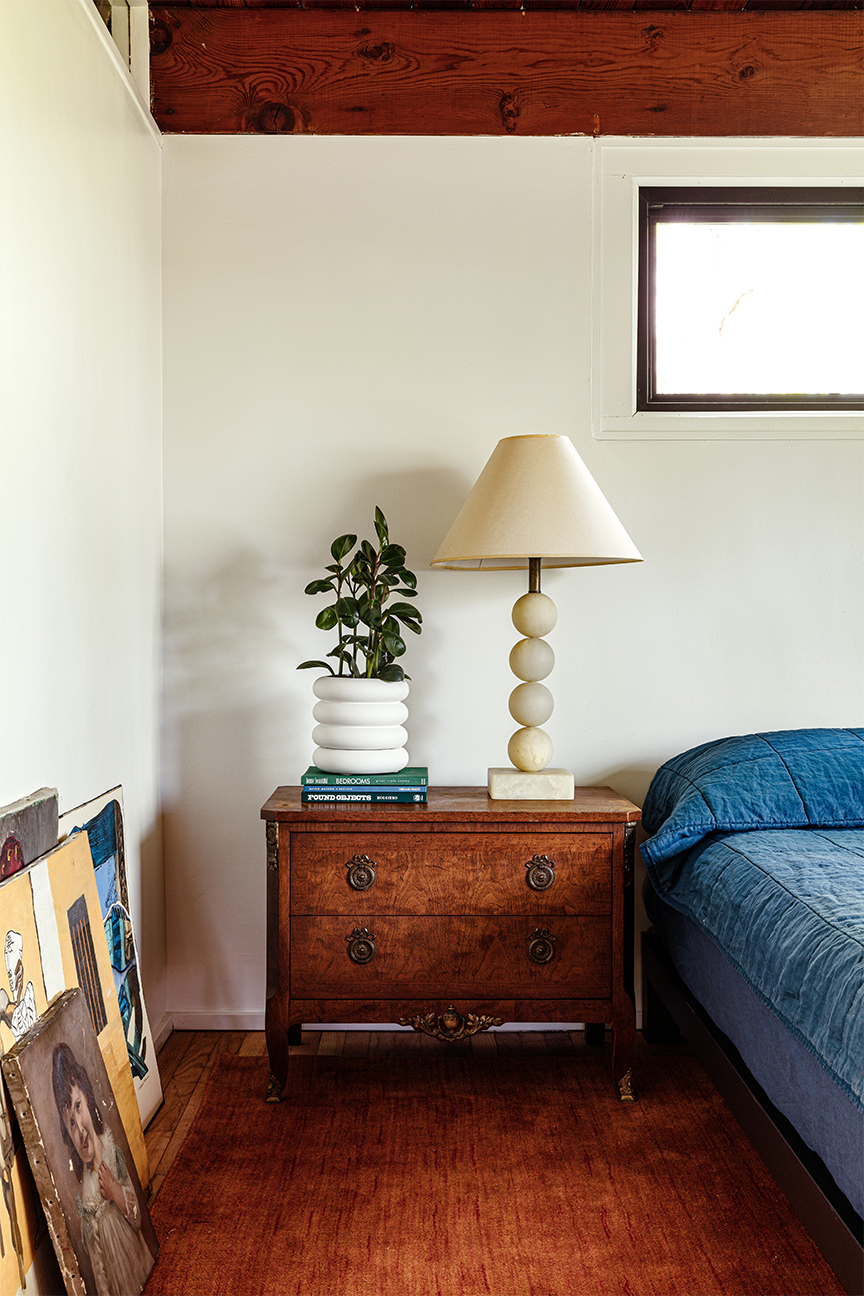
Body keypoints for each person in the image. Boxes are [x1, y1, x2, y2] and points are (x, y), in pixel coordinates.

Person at [51, 1043, 154, 1296]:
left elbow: (138, 1218)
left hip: (137, 1264)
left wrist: (116, 1192)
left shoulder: (110, 1150)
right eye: (71, 1124)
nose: (80, 1130)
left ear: (87, 1098)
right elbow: (97, 1269)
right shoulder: (84, 1199)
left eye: (78, 1107)